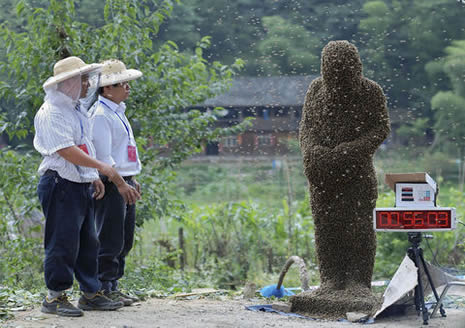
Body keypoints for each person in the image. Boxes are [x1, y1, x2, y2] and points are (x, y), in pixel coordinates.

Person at [34, 56, 141, 317]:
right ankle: (55, 296)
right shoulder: (52, 112)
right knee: (62, 242)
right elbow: (66, 151)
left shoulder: (76, 110)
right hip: (60, 183)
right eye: (82, 80)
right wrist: (103, 169)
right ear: (68, 83)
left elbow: (84, 145)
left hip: (79, 182)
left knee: (88, 242)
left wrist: (92, 174)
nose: (87, 85)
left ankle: (91, 293)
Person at [90, 59, 143, 306]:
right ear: (107, 89)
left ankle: (113, 285)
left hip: (124, 180)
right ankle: (100, 287)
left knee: (123, 238)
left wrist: (132, 178)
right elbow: (104, 158)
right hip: (111, 182)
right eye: (123, 84)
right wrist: (122, 183)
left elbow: (124, 152)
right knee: (109, 237)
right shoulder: (100, 115)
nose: (128, 88)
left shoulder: (117, 112)